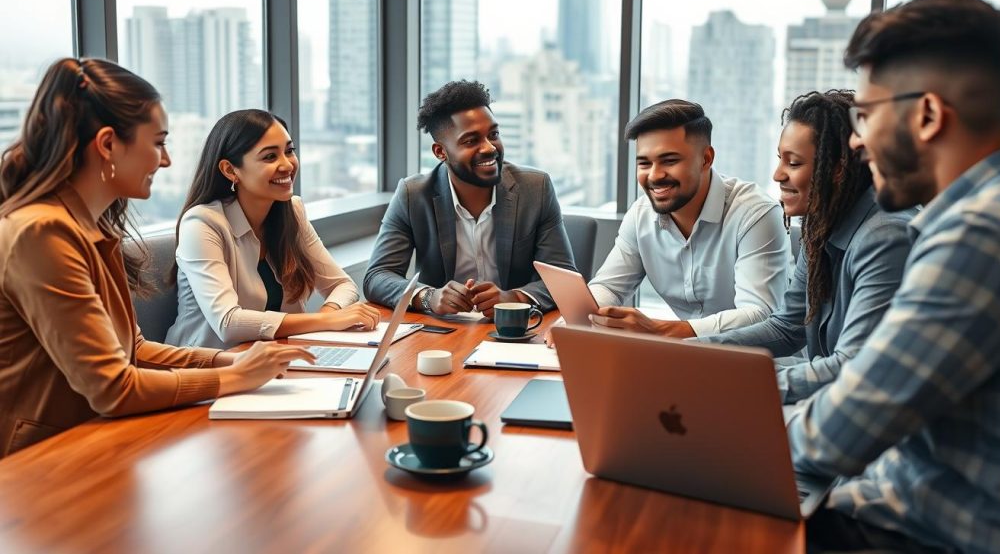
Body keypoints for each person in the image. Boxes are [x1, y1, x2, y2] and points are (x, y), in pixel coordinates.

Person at [788, 0, 1000, 553]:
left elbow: (840, 433)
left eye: (865, 115)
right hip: (894, 503)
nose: (854, 138)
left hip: (922, 534)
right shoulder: (992, 210)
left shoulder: (983, 232)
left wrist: (710, 425)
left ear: (926, 115)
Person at [0, 58, 314, 458]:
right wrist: (233, 378)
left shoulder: (90, 226)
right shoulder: (41, 232)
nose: (165, 160)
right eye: (159, 143)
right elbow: (112, 388)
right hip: (44, 459)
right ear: (109, 144)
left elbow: (136, 348)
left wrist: (227, 360)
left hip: (96, 439)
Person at [699, 90, 913, 403]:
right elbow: (787, 327)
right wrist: (694, 354)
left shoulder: (885, 238)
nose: (778, 174)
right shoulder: (822, 224)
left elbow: (852, 367)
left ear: (837, 169)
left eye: (793, 163)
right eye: (779, 159)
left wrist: (736, 383)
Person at [165, 109, 380, 349]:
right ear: (230, 170)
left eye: (289, 151)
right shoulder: (202, 223)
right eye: (269, 157)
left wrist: (330, 315)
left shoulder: (292, 210)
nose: (287, 165)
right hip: (208, 369)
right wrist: (326, 320)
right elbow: (228, 323)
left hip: (273, 357)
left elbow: (342, 285)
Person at [363, 80, 576, 318]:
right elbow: (377, 276)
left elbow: (563, 277)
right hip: (445, 332)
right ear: (440, 152)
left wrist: (513, 298)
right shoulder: (413, 195)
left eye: (493, 134)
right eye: (471, 141)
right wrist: (428, 297)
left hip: (514, 330)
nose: (489, 148)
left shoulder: (535, 189)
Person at [584, 99, 789, 338]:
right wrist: (580, 318)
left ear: (706, 159)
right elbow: (608, 286)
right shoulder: (640, 215)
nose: (654, 175)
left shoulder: (756, 214)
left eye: (669, 161)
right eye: (644, 163)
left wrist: (660, 331)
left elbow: (760, 314)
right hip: (686, 359)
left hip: (763, 363)